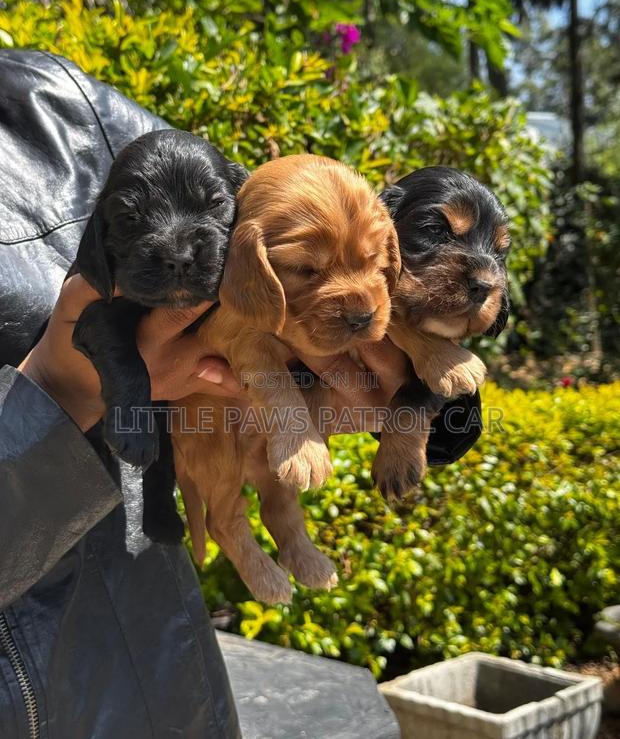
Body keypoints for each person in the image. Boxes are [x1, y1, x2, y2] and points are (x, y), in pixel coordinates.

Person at [0, 49, 409, 738]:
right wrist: (60, 396)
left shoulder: (55, 101)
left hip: (167, 692)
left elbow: (273, 212)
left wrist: (389, 370)